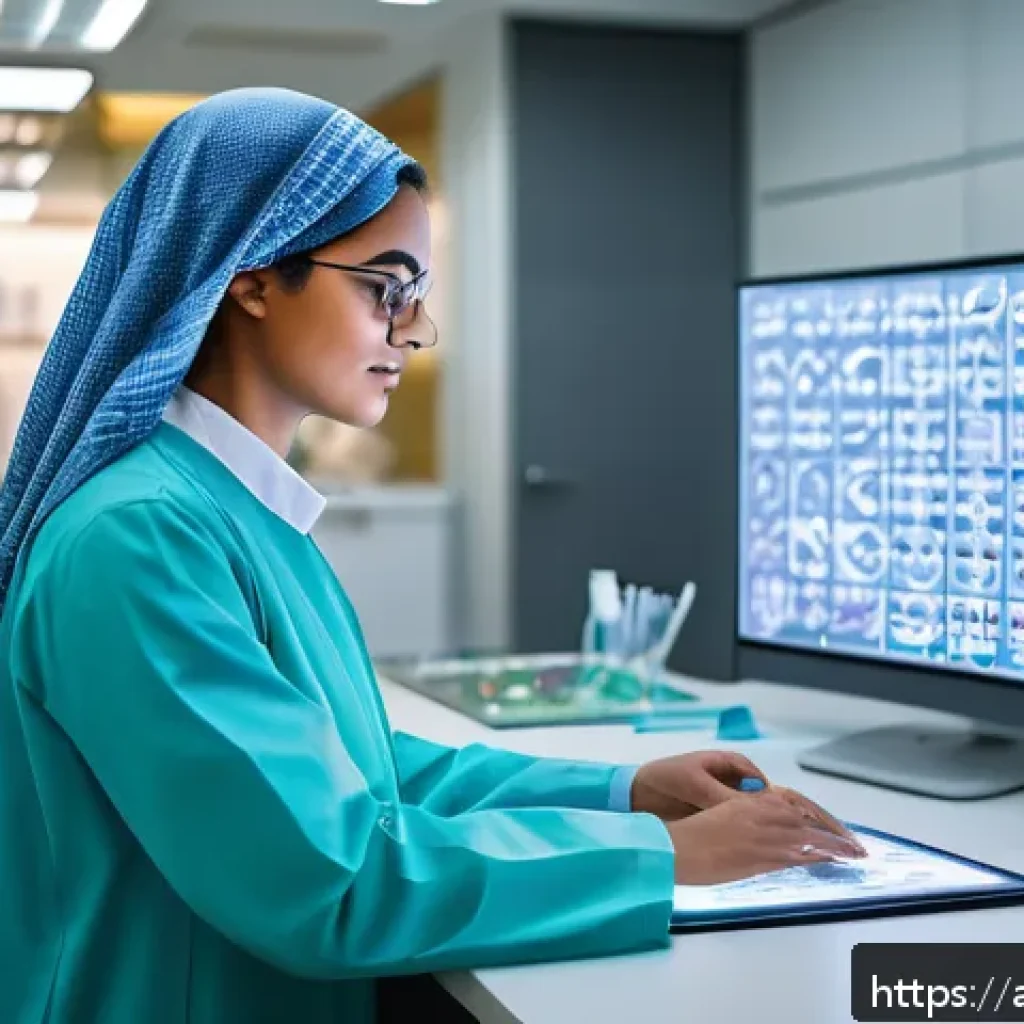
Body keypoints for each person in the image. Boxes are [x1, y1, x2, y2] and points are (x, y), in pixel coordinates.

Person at [0, 89, 864, 1024]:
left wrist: (626, 793)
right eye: (385, 287)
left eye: (416, 296)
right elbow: (328, 884)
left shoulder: (225, 511)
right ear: (250, 276)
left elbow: (362, 780)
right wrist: (669, 859)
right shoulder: (138, 538)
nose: (411, 330)